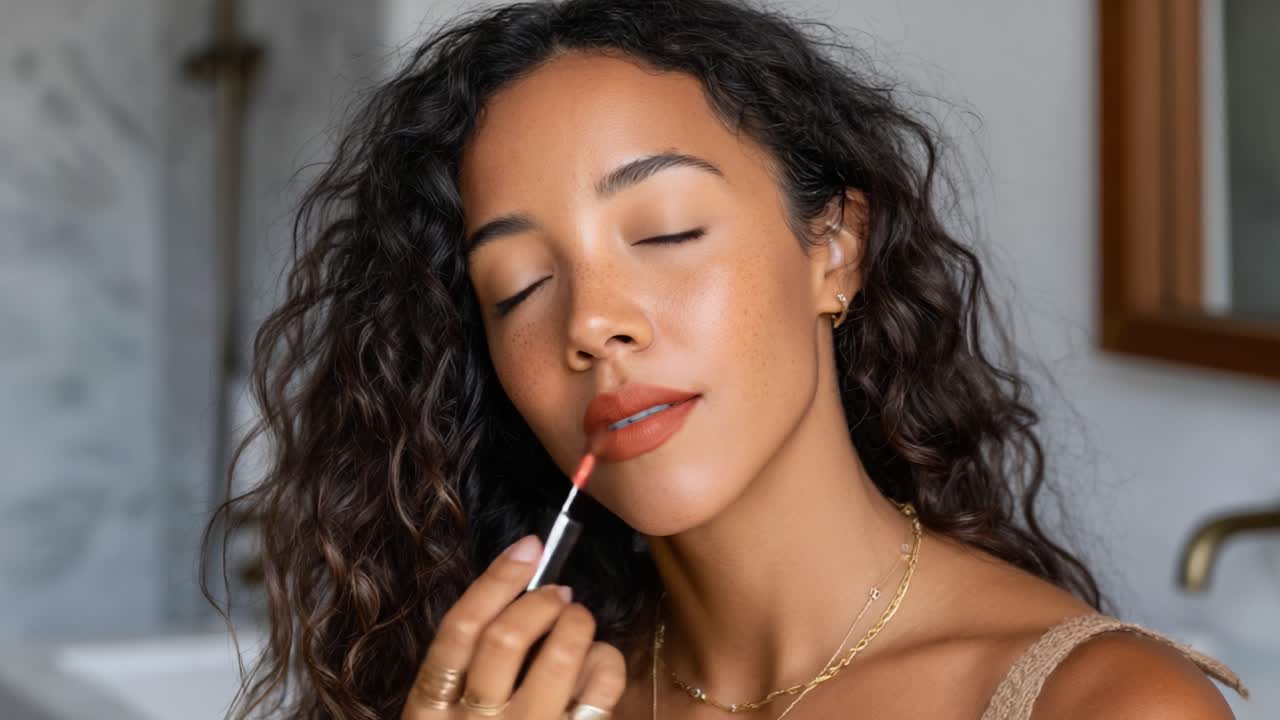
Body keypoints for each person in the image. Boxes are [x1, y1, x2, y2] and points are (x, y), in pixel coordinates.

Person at [203, 1, 1248, 718]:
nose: (591, 325)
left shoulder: (1103, 704)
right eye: (517, 287)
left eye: (661, 233)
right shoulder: (539, 698)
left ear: (832, 250)